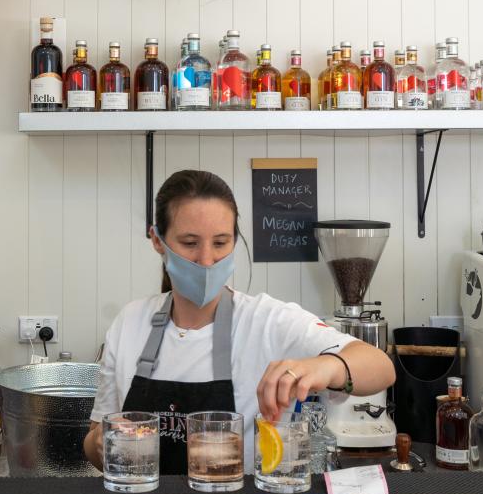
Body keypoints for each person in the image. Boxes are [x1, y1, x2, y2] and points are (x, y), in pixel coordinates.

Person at [83, 169, 395, 472]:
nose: (206, 261)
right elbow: (96, 446)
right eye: (190, 243)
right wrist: (99, 442)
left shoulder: (267, 321)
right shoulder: (130, 323)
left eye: (220, 243)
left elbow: (380, 367)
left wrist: (326, 366)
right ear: (157, 240)